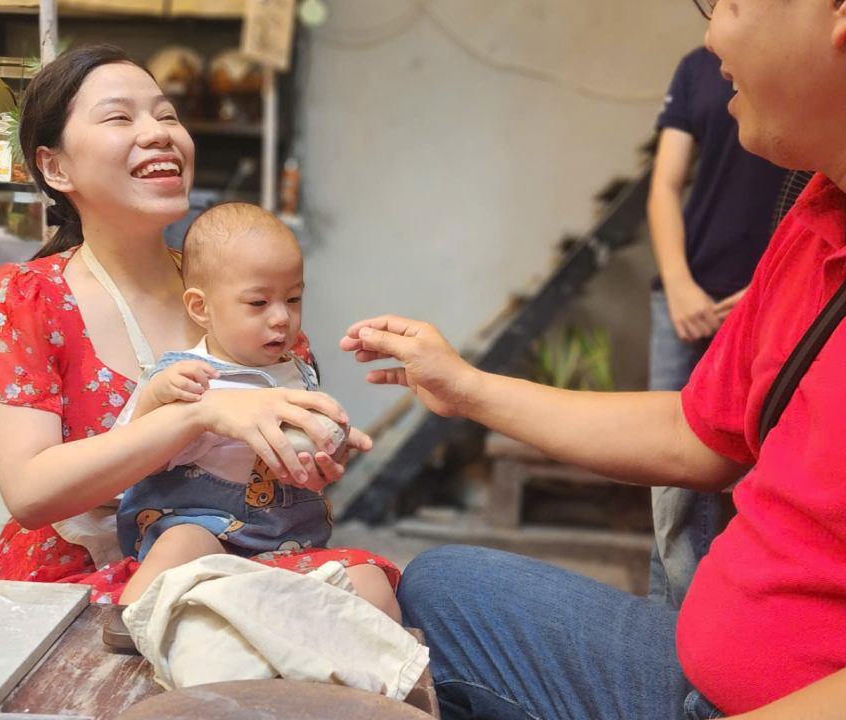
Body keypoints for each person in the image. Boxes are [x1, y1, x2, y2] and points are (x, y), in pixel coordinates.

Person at [341, 1, 846, 715]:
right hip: (704, 667)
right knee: (435, 585)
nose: (710, 35)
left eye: (731, 3)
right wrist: (463, 388)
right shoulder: (815, 212)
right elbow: (695, 435)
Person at [0, 45, 375, 605]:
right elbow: (30, 494)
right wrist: (201, 415)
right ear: (55, 167)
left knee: (371, 588)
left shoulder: (246, 295)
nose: (160, 133)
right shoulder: (28, 298)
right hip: (78, 585)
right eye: (121, 117)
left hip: (248, 554)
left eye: (167, 115)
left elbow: (281, 452)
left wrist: (309, 457)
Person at [113, 203, 400, 620]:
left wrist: (329, 454)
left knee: (370, 581)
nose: (282, 317)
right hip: (201, 527)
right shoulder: (181, 375)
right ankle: (131, 623)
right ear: (201, 307)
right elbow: (128, 454)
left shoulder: (298, 372)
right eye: (258, 302)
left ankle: (370, 665)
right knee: (182, 545)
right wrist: (154, 403)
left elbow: (311, 461)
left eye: (293, 298)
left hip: (285, 539)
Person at [646, 45, 787, 608]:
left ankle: (730, 619)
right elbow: (664, 185)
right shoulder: (698, 66)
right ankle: (667, 615)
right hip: (687, 297)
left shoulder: (800, 62)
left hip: (775, 296)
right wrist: (678, 283)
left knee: (766, 462)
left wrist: (779, 283)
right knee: (670, 477)